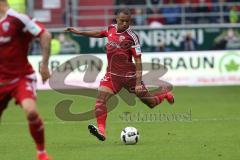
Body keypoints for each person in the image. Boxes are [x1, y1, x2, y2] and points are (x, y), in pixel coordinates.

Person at [65, 9, 174, 141]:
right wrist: (79, 32)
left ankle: (165, 95)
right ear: (116, 19)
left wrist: (139, 83)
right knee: (100, 101)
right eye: (122, 20)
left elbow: (138, 60)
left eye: (127, 21)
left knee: (151, 103)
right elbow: (99, 33)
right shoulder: (110, 29)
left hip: (130, 78)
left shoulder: (132, 37)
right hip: (112, 76)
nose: (124, 23)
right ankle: (102, 131)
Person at [0, 0, 52, 160]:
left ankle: (41, 153)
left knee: (30, 112)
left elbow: (45, 34)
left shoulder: (17, 19)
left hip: (20, 78)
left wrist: (44, 64)